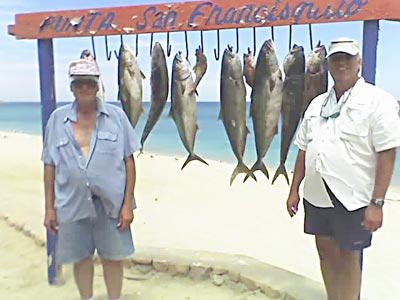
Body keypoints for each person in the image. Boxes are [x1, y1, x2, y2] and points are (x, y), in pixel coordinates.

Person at [286, 37, 400, 300]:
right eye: (336, 58)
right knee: (325, 250)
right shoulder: (316, 104)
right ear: (328, 64)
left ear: (358, 63)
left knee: (349, 255)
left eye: (347, 58)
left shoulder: (378, 100)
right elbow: (303, 149)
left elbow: (387, 153)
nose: (341, 63)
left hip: (354, 197)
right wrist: (294, 189)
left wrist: (377, 203)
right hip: (316, 194)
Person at [42, 58, 141, 300]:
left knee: (113, 259)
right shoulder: (57, 119)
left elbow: (129, 161)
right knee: (81, 258)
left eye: (89, 83)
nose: (84, 88)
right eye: (79, 84)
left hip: (112, 204)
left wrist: (127, 204)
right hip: (72, 203)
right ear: (72, 87)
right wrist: (49, 208)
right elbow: (49, 164)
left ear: (97, 86)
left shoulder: (117, 116)